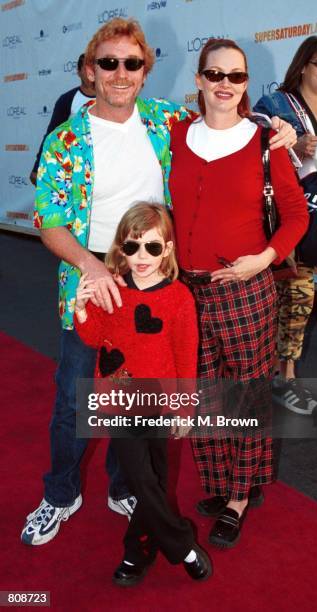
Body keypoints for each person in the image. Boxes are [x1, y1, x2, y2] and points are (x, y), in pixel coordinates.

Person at [22, 17, 296, 547]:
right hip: (93, 280)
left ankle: (127, 488)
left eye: (132, 63)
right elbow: (49, 222)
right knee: (75, 400)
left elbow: (225, 119)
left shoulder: (167, 121)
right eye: (109, 63)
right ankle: (60, 495)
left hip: (157, 284)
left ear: (146, 72)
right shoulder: (64, 140)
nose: (120, 74)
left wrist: (277, 130)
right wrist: (93, 267)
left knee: (144, 399)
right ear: (89, 71)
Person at [168, 38, 309, 549]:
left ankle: (239, 497)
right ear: (200, 79)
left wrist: (265, 259)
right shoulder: (176, 135)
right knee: (205, 393)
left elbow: (296, 215)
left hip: (246, 289)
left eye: (237, 76)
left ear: (248, 84)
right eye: (215, 75)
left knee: (245, 394)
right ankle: (226, 480)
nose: (225, 85)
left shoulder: (265, 141)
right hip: (187, 290)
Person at [74, 202, 211, 586]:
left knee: (157, 482)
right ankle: (182, 545)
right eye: (132, 247)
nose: (141, 257)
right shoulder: (114, 287)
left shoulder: (180, 298)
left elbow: (187, 356)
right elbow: (93, 337)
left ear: (167, 249)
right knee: (140, 478)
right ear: (121, 248)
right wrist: (83, 309)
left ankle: (139, 550)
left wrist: (184, 409)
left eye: (152, 247)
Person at [254, 36, 317, 411]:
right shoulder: (276, 104)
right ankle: (275, 376)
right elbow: (252, 148)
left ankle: (285, 374)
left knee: (302, 297)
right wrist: (295, 147)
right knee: (288, 295)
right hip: (284, 217)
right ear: (303, 66)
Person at [30, 54, 96, 186]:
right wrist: (37, 167)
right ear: (78, 72)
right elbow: (51, 136)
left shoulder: (110, 99)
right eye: (86, 68)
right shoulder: (67, 100)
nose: (90, 72)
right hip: (74, 168)